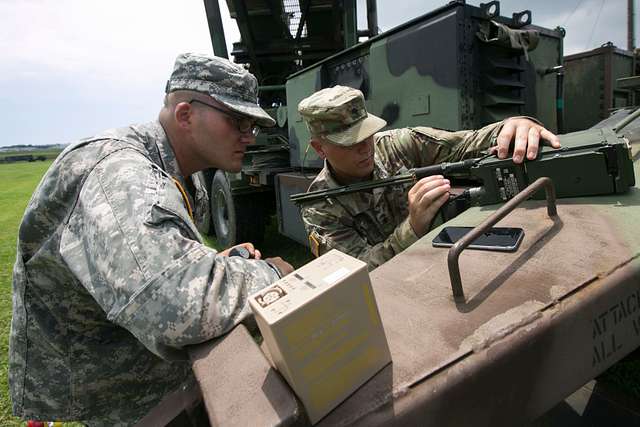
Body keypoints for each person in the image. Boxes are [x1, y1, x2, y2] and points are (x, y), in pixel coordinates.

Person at [9, 53, 294, 426]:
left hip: (139, 368)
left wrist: (216, 265)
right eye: (236, 120)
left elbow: (159, 264)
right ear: (184, 115)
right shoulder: (121, 176)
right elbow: (175, 306)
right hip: (116, 390)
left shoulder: (181, 173)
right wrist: (271, 274)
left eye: (252, 125)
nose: (248, 136)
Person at [298, 85, 561, 270]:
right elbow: (359, 270)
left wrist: (511, 127)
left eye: (367, 133)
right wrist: (412, 228)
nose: (365, 146)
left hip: (444, 263)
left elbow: (465, 145)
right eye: (349, 142)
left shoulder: (400, 144)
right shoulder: (320, 209)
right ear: (320, 148)